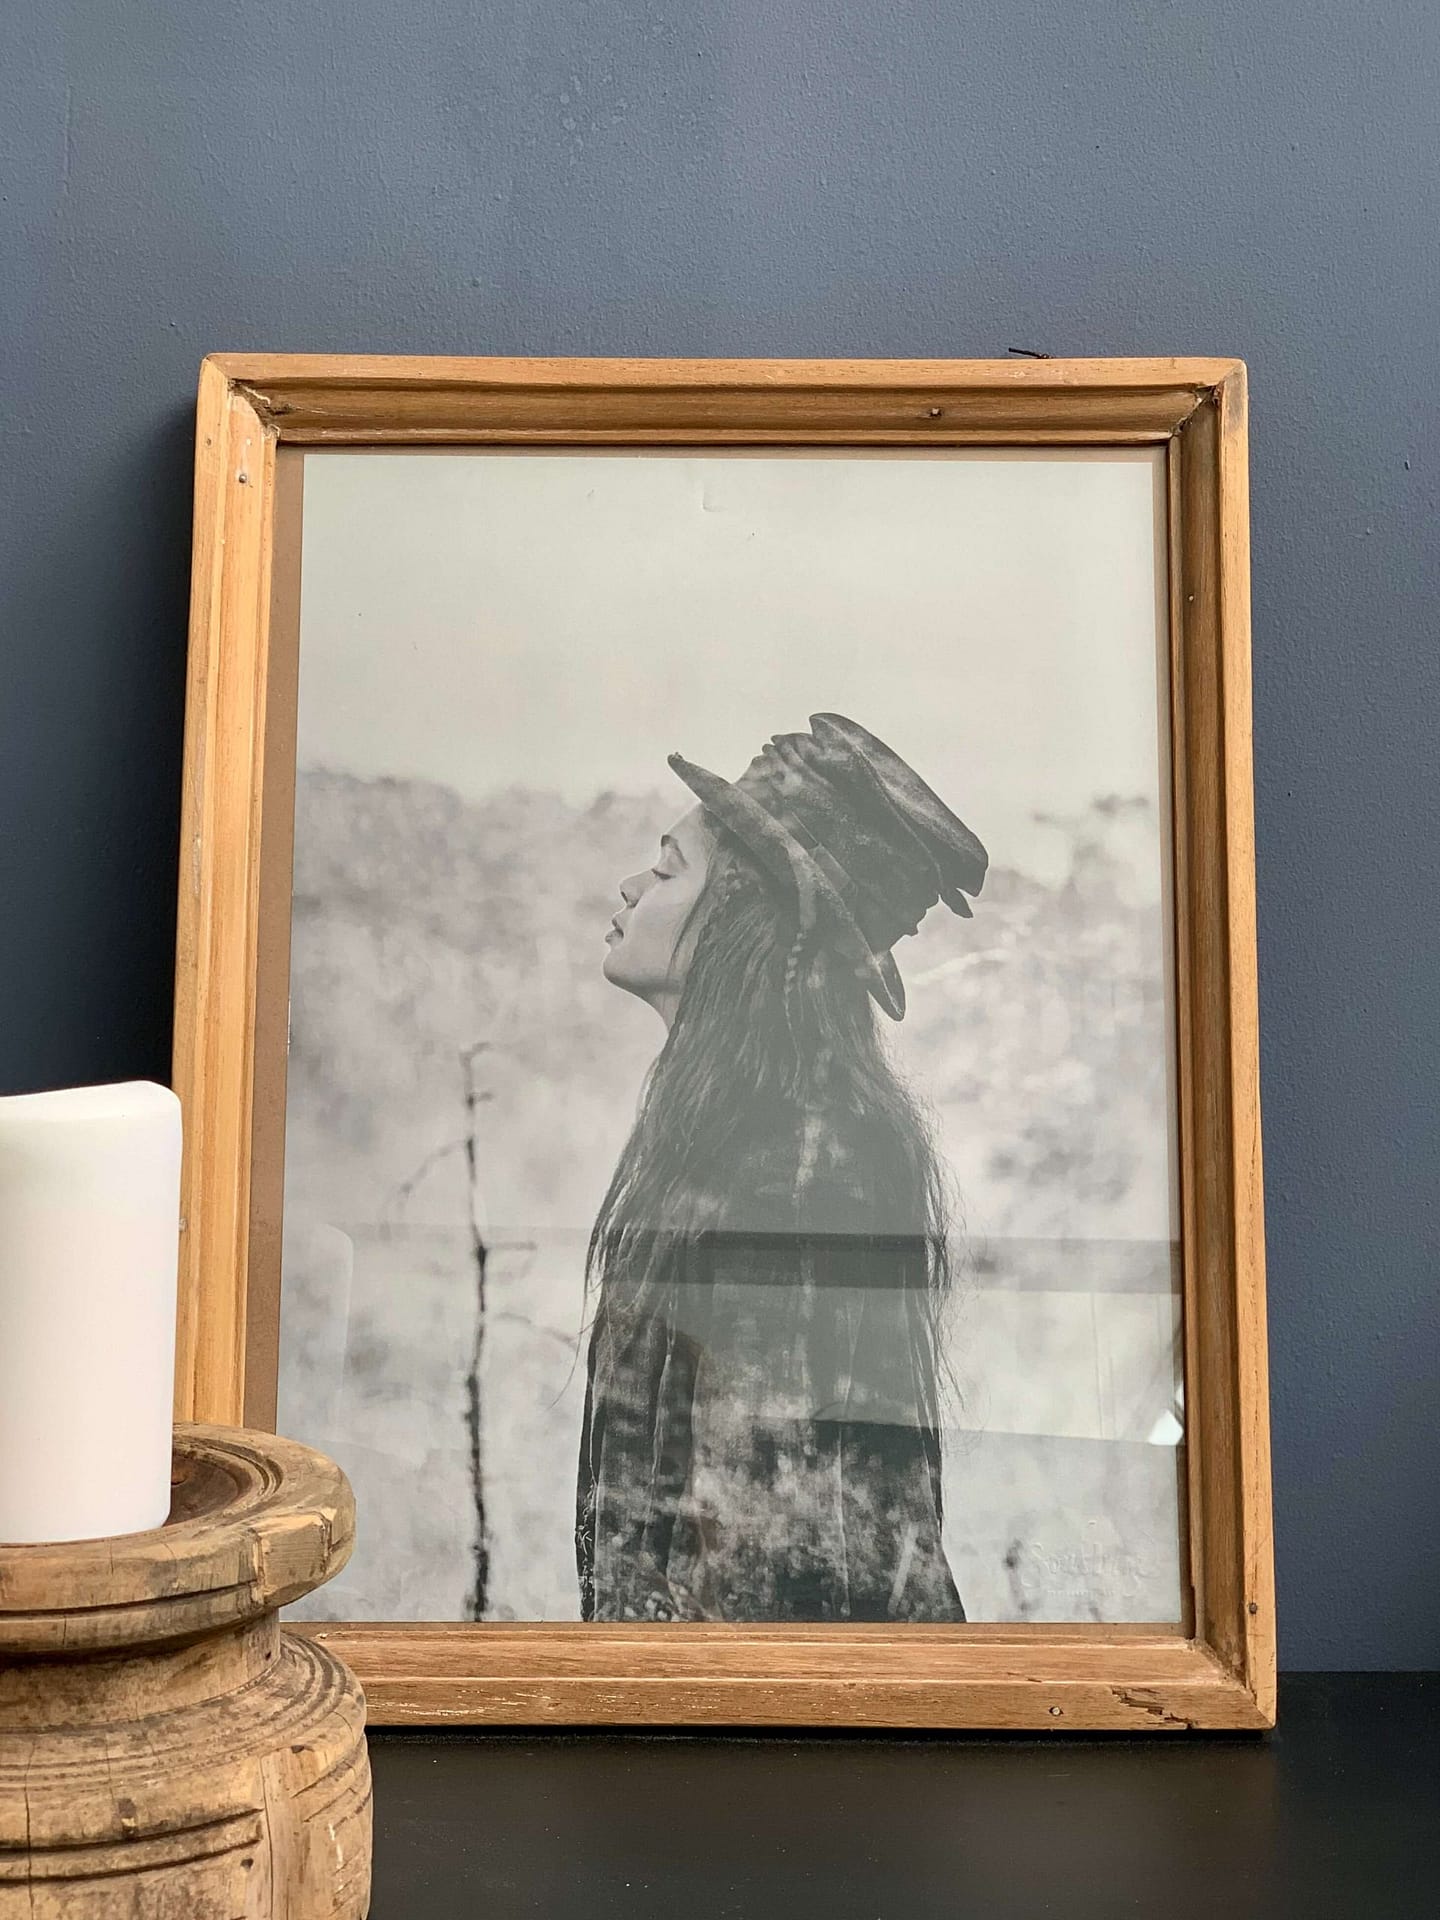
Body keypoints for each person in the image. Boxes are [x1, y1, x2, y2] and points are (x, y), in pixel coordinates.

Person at [575, 712, 988, 1622]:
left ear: (740, 920)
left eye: (668, 870)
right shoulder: (737, 1133)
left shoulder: (795, 1167)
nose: (631, 886)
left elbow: (766, 1540)